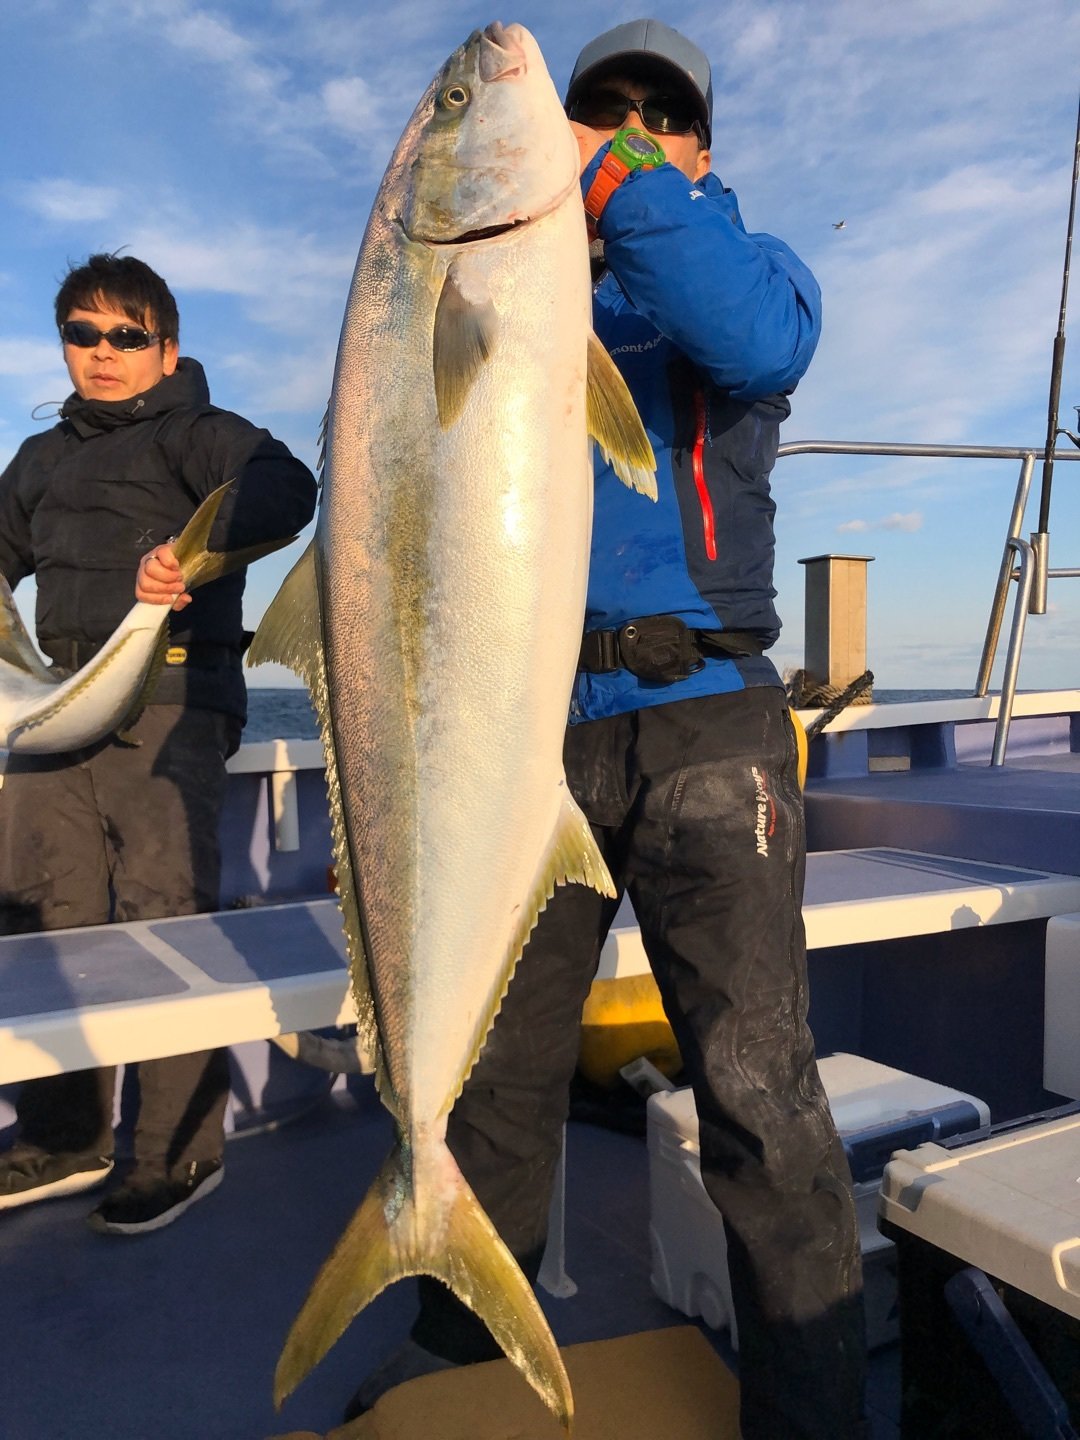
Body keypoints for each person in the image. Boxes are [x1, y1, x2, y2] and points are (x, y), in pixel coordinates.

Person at [344, 20, 867, 1438]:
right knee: (496, 1096)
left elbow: (747, 340)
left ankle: (814, 1410)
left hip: (707, 724)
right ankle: (458, 1368)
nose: (632, 124)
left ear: (703, 147)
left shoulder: (745, 270)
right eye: (607, 106)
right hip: (527, 737)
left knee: (760, 1101)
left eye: (664, 114)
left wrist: (624, 185)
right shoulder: (522, 290)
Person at [0, 253, 318, 1234]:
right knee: (42, 920)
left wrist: (191, 552)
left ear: (166, 348)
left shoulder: (204, 433)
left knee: (164, 924)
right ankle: (65, 1135)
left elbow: (285, 489)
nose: (102, 353)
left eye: (125, 336)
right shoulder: (42, 460)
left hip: (175, 695)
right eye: (83, 335)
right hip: (57, 712)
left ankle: (177, 1156)